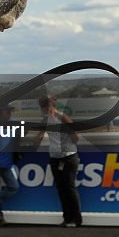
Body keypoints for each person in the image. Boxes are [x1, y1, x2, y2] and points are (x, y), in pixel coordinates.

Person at [31, 95, 82, 227]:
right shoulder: (46, 120)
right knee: (61, 189)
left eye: (49, 105)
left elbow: (75, 137)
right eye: (45, 107)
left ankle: (76, 219)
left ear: (53, 105)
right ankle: (67, 218)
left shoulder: (62, 117)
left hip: (68, 157)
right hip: (55, 157)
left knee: (69, 188)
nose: (47, 109)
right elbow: (37, 139)